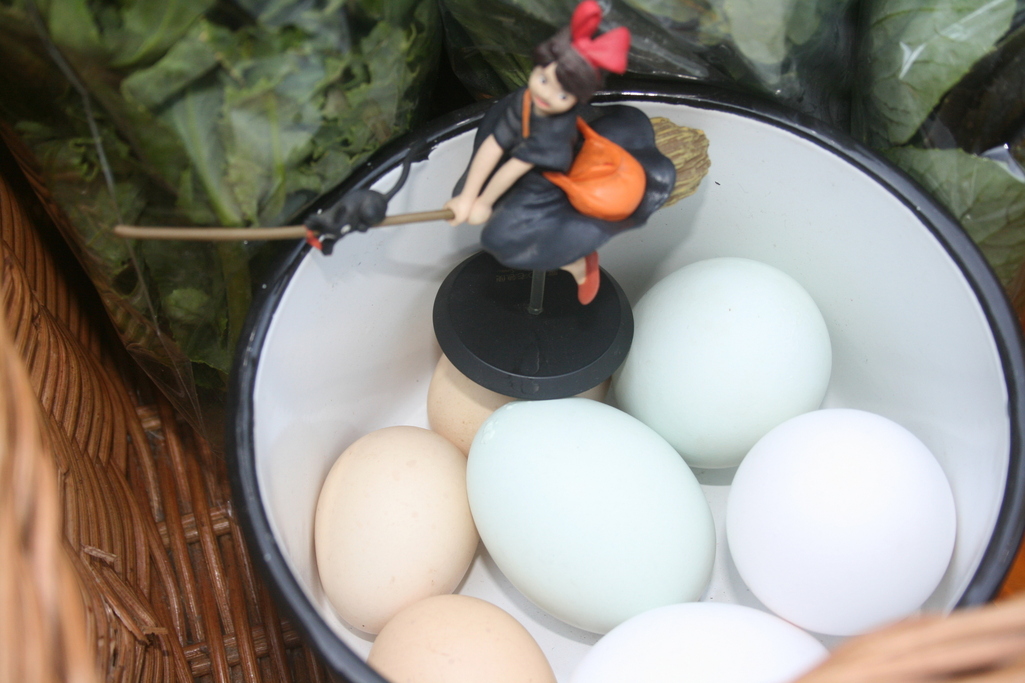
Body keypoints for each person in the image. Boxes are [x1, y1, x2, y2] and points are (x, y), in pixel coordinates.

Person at [444, 0, 675, 304]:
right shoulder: (526, 99)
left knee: (499, 239)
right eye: (543, 79)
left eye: (563, 95)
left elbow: (514, 167)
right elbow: (494, 145)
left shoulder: (554, 128)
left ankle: (576, 262)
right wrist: (468, 196)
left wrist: (483, 202)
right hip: (517, 166)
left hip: (542, 186)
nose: (546, 95)